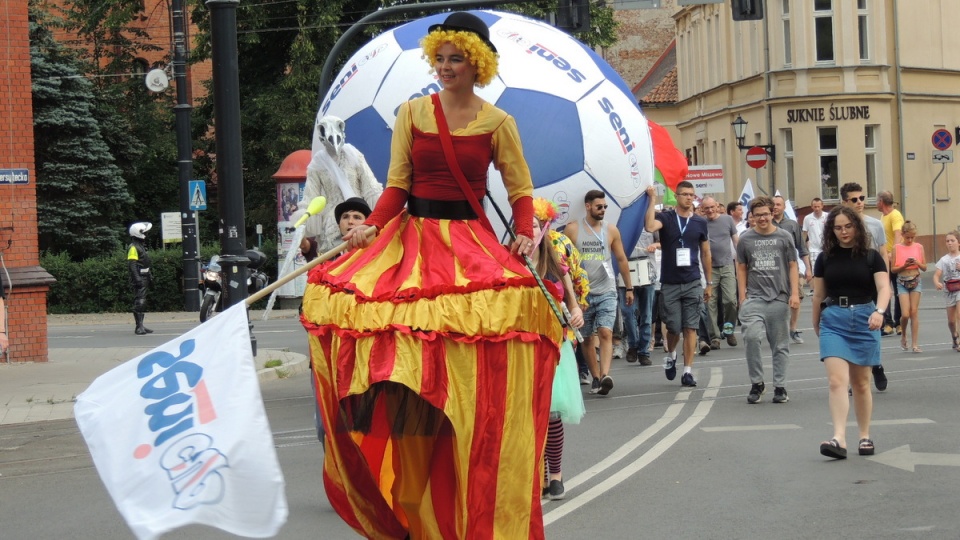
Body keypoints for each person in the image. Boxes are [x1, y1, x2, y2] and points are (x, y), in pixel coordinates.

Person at [300, 13, 563, 539]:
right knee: (386, 334)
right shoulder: (413, 113)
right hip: (410, 236)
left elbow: (520, 190)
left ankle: (471, 459)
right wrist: (372, 227)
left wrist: (526, 233)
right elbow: (397, 184)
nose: (444, 68)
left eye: (456, 59)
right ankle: (403, 487)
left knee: (479, 331)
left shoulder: (497, 124)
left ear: (477, 64)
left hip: (469, 242)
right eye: (439, 58)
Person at [812, 206, 891, 460]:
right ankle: (839, 438)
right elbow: (818, 295)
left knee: (860, 383)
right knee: (837, 382)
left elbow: (884, 287)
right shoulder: (825, 258)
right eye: (838, 227)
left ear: (856, 226)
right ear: (831, 230)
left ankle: (864, 435)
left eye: (848, 226)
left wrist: (880, 311)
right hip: (833, 320)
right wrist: (816, 322)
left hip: (866, 319)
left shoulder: (871, 257)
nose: (843, 231)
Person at [530, 201, 584, 502]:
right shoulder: (509, 263)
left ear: (544, 229)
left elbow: (574, 304)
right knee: (526, 415)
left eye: (535, 225)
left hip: (555, 345)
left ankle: (556, 475)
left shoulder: (556, 265)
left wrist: (576, 313)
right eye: (523, 227)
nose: (530, 231)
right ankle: (532, 474)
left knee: (551, 415)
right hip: (524, 346)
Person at [564, 190, 633, 395]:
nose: (603, 210)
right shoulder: (572, 229)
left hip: (607, 290)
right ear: (587, 206)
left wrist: (629, 288)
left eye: (605, 207)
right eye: (599, 207)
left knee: (605, 332)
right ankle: (595, 377)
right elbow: (563, 262)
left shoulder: (611, 230)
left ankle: (605, 376)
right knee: (585, 338)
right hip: (581, 294)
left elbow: (621, 259)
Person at [644, 181, 711, 387]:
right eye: (684, 194)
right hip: (671, 282)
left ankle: (688, 372)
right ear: (677, 196)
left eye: (692, 194)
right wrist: (652, 199)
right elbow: (649, 226)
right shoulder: (667, 218)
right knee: (673, 327)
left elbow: (706, 252)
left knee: (690, 327)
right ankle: (672, 355)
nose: (689, 198)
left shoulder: (700, 222)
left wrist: (709, 282)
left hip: (692, 281)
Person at [736, 197, 799, 404]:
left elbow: (792, 265)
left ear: (772, 214)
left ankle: (780, 387)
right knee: (752, 338)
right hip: (754, 298)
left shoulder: (784, 236)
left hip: (779, 297)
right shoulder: (745, 239)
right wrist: (742, 296)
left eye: (765, 214)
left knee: (779, 345)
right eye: (757, 215)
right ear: (751, 217)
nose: (762, 218)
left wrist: (794, 293)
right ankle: (757, 383)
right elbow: (742, 267)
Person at [841, 182, 889, 391]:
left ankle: (875, 364)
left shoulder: (874, 224)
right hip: (849, 282)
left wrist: (885, 283)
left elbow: (883, 253)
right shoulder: (839, 225)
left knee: (872, 327)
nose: (860, 202)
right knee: (851, 330)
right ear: (844, 202)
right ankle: (856, 377)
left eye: (862, 198)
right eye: (854, 199)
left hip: (872, 282)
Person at [772, 196, 811, 345]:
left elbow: (802, 248)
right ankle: (777, 329)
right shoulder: (767, 223)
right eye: (773, 204)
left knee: (797, 297)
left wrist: (808, 268)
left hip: (792, 267)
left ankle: (793, 328)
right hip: (774, 269)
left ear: (783, 207)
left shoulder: (792, 225)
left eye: (778, 204)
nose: (775, 207)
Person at [703, 196, 739, 349]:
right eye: (707, 208)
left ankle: (729, 330)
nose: (710, 210)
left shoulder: (727, 220)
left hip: (727, 266)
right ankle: (715, 337)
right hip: (709, 269)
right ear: (703, 210)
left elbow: (736, 240)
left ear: (717, 206)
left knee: (730, 300)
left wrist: (743, 260)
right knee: (710, 302)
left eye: (712, 207)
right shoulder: (701, 223)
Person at [299, 196, 371, 262]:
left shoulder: (376, 251)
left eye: (357, 217)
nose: (350, 221)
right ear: (338, 225)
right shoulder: (325, 251)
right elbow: (304, 245)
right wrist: (300, 225)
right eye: (345, 217)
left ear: (366, 223)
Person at [891, 221, 926, 353]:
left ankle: (915, 344)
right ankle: (904, 334)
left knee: (914, 312)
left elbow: (924, 267)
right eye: (907, 237)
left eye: (912, 237)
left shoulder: (919, 247)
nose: (910, 240)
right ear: (903, 235)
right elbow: (893, 269)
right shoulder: (896, 248)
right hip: (902, 281)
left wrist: (917, 262)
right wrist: (904, 266)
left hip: (916, 279)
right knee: (905, 314)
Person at [877, 190, 904, 335]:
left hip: (894, 259)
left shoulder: (895, 215)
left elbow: (898, 234)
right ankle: (888, 323)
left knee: (899, 290)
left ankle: (899, 322)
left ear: (881, 202)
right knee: (884, 289)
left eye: (877, 200)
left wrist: (892, 253)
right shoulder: (883, 216)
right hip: (884, 259)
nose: (876, 203)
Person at [933, 230, 960, 351]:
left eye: (952, 240)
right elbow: (936, 274)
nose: (950, 243)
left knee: (959, 315)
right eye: (947, 241)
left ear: (958, 243)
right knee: (951, 321)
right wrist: (936, 282)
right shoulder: (944, 260)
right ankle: (954, 336)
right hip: (949, 290)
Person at [127, 222, 153, 336]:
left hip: (144, 276)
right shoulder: (133, 247)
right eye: (145, 232)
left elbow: (145, 263)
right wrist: (137, 278)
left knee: (143, 301)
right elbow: (132, 265)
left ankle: (141, 324)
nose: (146, 235)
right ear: (139, 233)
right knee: (140, 301)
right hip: (139, 277)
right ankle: (138, 326)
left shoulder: (140, 246)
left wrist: (149, 276)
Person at [802, 197, 827, 278]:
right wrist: (804, 248)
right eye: (815, 207)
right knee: (816, 271)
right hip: (813, 249)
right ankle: (816, 289)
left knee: (826, 269)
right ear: (812, 207)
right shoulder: (807, 218)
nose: (817, 209)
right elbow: (804, 234)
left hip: (826, 248)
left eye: (818, 206)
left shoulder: (828, 216)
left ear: (822, 206)